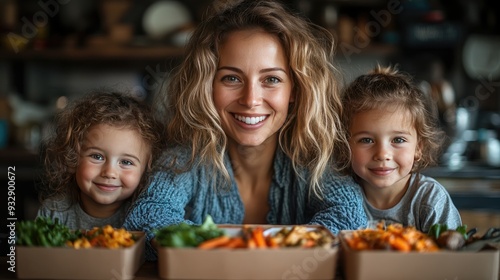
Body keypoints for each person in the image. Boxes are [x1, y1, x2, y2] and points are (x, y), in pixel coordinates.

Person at [123, 0, 368, 260]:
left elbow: (349, 217)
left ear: (294, 89)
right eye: (232, 78)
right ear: (208, 85)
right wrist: (242, 249)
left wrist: (257, 249)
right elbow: (148, 216)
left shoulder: (314, 158)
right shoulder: (186, 157)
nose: (251, 100)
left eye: (271, 79)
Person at [336, 65, 462, 233]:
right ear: (345, 144)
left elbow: (452, 255)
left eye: (398, 140)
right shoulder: (338, 195)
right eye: (366, 140)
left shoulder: (430, 200)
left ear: (418, 147)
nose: (382, 154)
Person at [36, 90, 163, 230]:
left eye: (126, 162)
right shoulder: (54, 213)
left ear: (145, 171)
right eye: (97, 156)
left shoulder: (146, 219)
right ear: (72, 158)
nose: (110, 172)